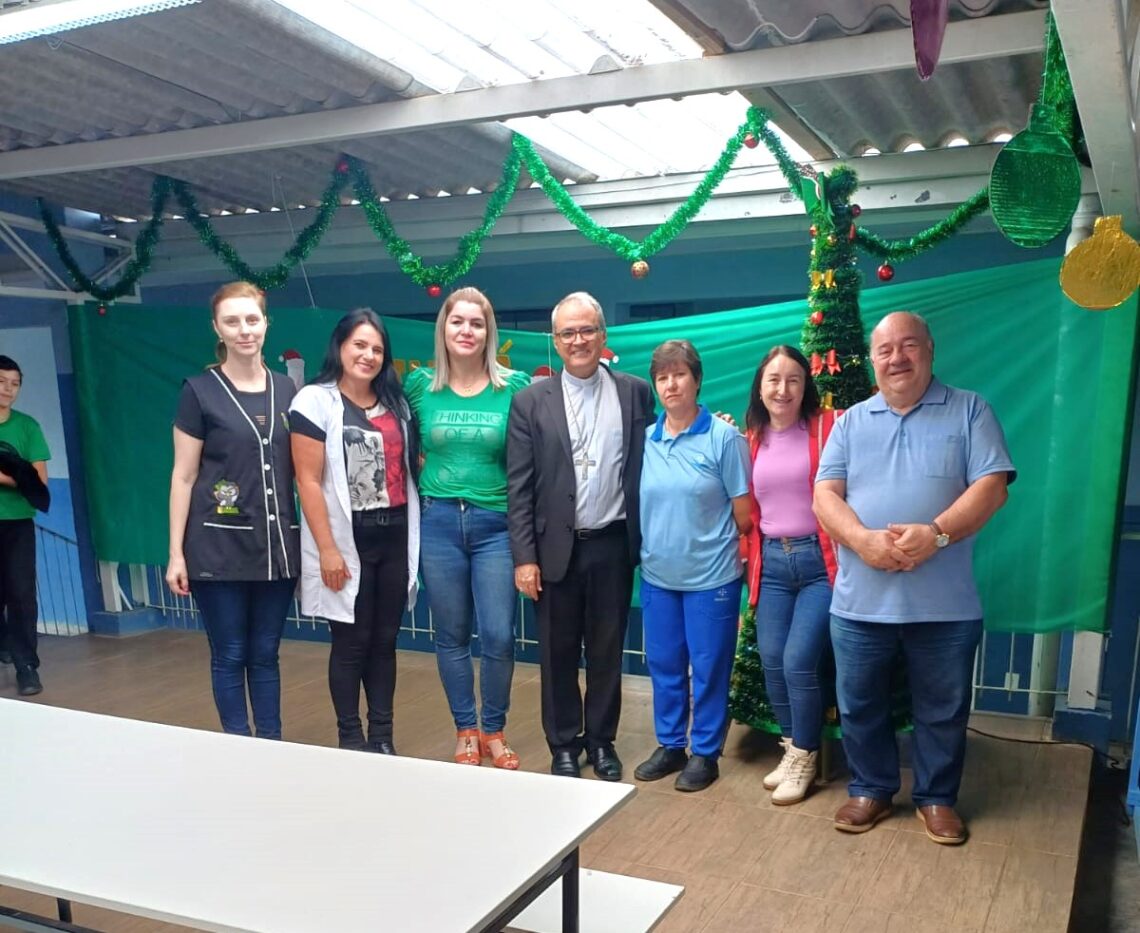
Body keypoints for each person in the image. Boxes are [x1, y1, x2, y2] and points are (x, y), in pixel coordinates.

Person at [813, 311, 1014, 845]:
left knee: (943, 709)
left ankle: (936, 798)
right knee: (859, 704)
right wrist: (862, 541)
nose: (896, 358)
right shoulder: (850, 423)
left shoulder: (970, 410)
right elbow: (824, 495)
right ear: (872, 360)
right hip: (860, 603)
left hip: (946, 605)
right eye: (885, 349)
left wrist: (937, 534)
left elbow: (993, 486)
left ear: (929, 350)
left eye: (908, 346)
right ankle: (870, 789)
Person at [507, 291, 654, 780]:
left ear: (603, 335)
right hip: (554, 549)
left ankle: (602, 741)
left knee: (608, 651)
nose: (578, 340)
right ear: (555, 341)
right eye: (567, 333)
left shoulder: (634, 392)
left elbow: (657, 452)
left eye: (587, 330)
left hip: (613, 543)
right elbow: (519, 487)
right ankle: (564, 744)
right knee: (557, 652)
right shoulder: (530, 402)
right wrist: (524, 557)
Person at [166, 282, 300, 738]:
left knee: (265, 654)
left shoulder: (287, 389)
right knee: (229, 653)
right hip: (216, 549)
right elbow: (183, 476)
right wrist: (176, 554)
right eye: (232, 321)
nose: (244, 330)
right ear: (217, 329)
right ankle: (237, 746)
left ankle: (272, 744)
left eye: (252, 319)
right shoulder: (199, 391)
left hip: (275, 549)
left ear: (266, 324)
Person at [404, 287, 529, 769]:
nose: (466, 330)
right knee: (451, 634)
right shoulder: (420, 385)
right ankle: (466, 730)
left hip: (496, 525)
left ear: (488, 332)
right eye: (457, 321)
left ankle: (494, 728)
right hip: (437, 522)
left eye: (476, 323)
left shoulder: (514, 386)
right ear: (443, 328)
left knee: (498, 635)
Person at [290, 309, 421, 754]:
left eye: (377, 349)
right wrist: (328, 549)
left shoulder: (397, 405)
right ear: (340, 347)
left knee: (384, 642)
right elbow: (308, 481)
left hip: (395, 535)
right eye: (359, 345)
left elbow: (409, 468)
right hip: (348, 540)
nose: (368, 356)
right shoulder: (314, 401)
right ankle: (350, 737)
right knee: (351, 642)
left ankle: (382, 736)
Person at [632, 340, 751, 793]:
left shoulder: (724, 438)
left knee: (708, 668)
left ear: (697, 380)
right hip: (658, 577)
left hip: (711, 579)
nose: (671, 384)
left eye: (680, 374)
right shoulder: (646, 440)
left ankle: (705, 752)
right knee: (664, 665)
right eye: (662, 377)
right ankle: (670, 746)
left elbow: (744, 515)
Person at [744, 346, 841, 805]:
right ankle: (791, 748)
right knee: (771, 658)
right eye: (774, 380)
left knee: (799, 660)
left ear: (806, 387)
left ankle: (806, 757)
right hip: (773, 564)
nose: (783, 389)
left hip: (819, 563)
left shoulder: (828, 427)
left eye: (794, 380)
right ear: (760, 387)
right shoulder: (750, 439)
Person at [0, 355, 51, 696]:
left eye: (15, 384)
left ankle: (26, 666)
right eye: (2, 382)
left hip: (17, 524)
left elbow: (39, 481)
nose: (8, 389)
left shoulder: (27, 427)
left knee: (20, 594)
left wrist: (5, 478)